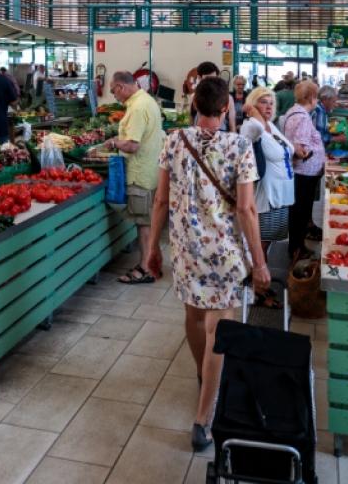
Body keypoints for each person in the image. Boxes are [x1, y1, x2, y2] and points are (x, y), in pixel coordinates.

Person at [147, 76, 269, 452]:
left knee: (194, 318)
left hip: (186, 250)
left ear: (195, 106)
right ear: (226, 108)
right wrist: (260, 263)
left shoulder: (173, 141)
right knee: (220, 328)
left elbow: (160, 200)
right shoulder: (240, 146)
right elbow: (246, 209)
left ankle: (204, 375)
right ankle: (203, 418)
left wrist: (151, 248)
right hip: (225, 253)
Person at [109, 70, 165, 284]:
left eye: (113, 91)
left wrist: (114, 143)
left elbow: (132, 145)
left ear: (121, 87)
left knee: (143, 224)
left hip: (140, 174)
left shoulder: (138, 108)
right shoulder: (147, 100)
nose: (114, 96)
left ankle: (146, 269)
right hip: (151, 171)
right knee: (149, 222)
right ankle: (153, 263)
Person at [241, 87, 294, 306]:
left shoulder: (271, 126)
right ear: (253, 105)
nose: (269, 106)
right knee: (260, 243)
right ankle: (257, 290)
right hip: (267, 195)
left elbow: (288, 149)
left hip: (281, 195)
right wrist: (254, 115)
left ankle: (261, 282)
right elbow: (246, 143)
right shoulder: (252, 126)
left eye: (271, 102)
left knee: (268, 241)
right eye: (263, 102)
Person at [281, 81, 326, 261]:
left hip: (300, 172)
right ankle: (297, 249)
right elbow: (300, 149)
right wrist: (312, 153)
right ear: (311, 98)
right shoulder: (304, 118)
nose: (317, 101)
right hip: (305, 173)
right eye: (316, 97)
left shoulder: (293, 112)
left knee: (298, 212)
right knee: (301, 212)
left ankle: (296, 247)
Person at [190, 61, 237, 132]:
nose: (211, 83)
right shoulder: (194, 97)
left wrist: (234, 137)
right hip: (198, 134)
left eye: (214, 78)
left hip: (221, 134)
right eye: (207, 79)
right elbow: (191, 119)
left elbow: (232, 124)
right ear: (199, 78)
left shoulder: (227, 98)